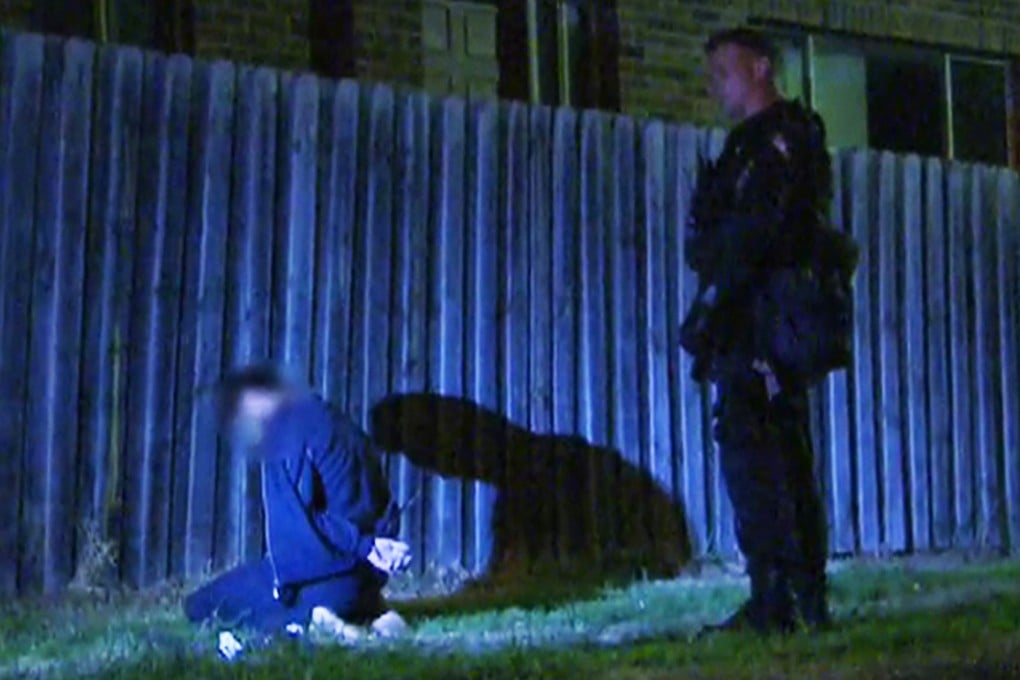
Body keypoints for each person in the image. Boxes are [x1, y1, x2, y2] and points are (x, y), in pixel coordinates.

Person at [680, 27, 839, 635]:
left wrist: (721, 289)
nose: (714, 84)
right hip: (750, 316)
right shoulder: (753, 147)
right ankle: (792, 597)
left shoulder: (781, 140)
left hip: (765, 319)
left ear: (762, 68)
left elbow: (762, 234)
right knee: (770, 451)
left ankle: (784, 601)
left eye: (725, 70)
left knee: (763, 455)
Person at [183, 363, 412, 655]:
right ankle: (376, 617)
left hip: (327, 579)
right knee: (234, 588)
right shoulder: (343, 426)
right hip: (366, 581)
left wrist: (286, 585)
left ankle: (317, 620)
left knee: (200, 605)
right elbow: (382, 506)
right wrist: (373, 548)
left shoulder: (281, 435)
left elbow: (297, 524)